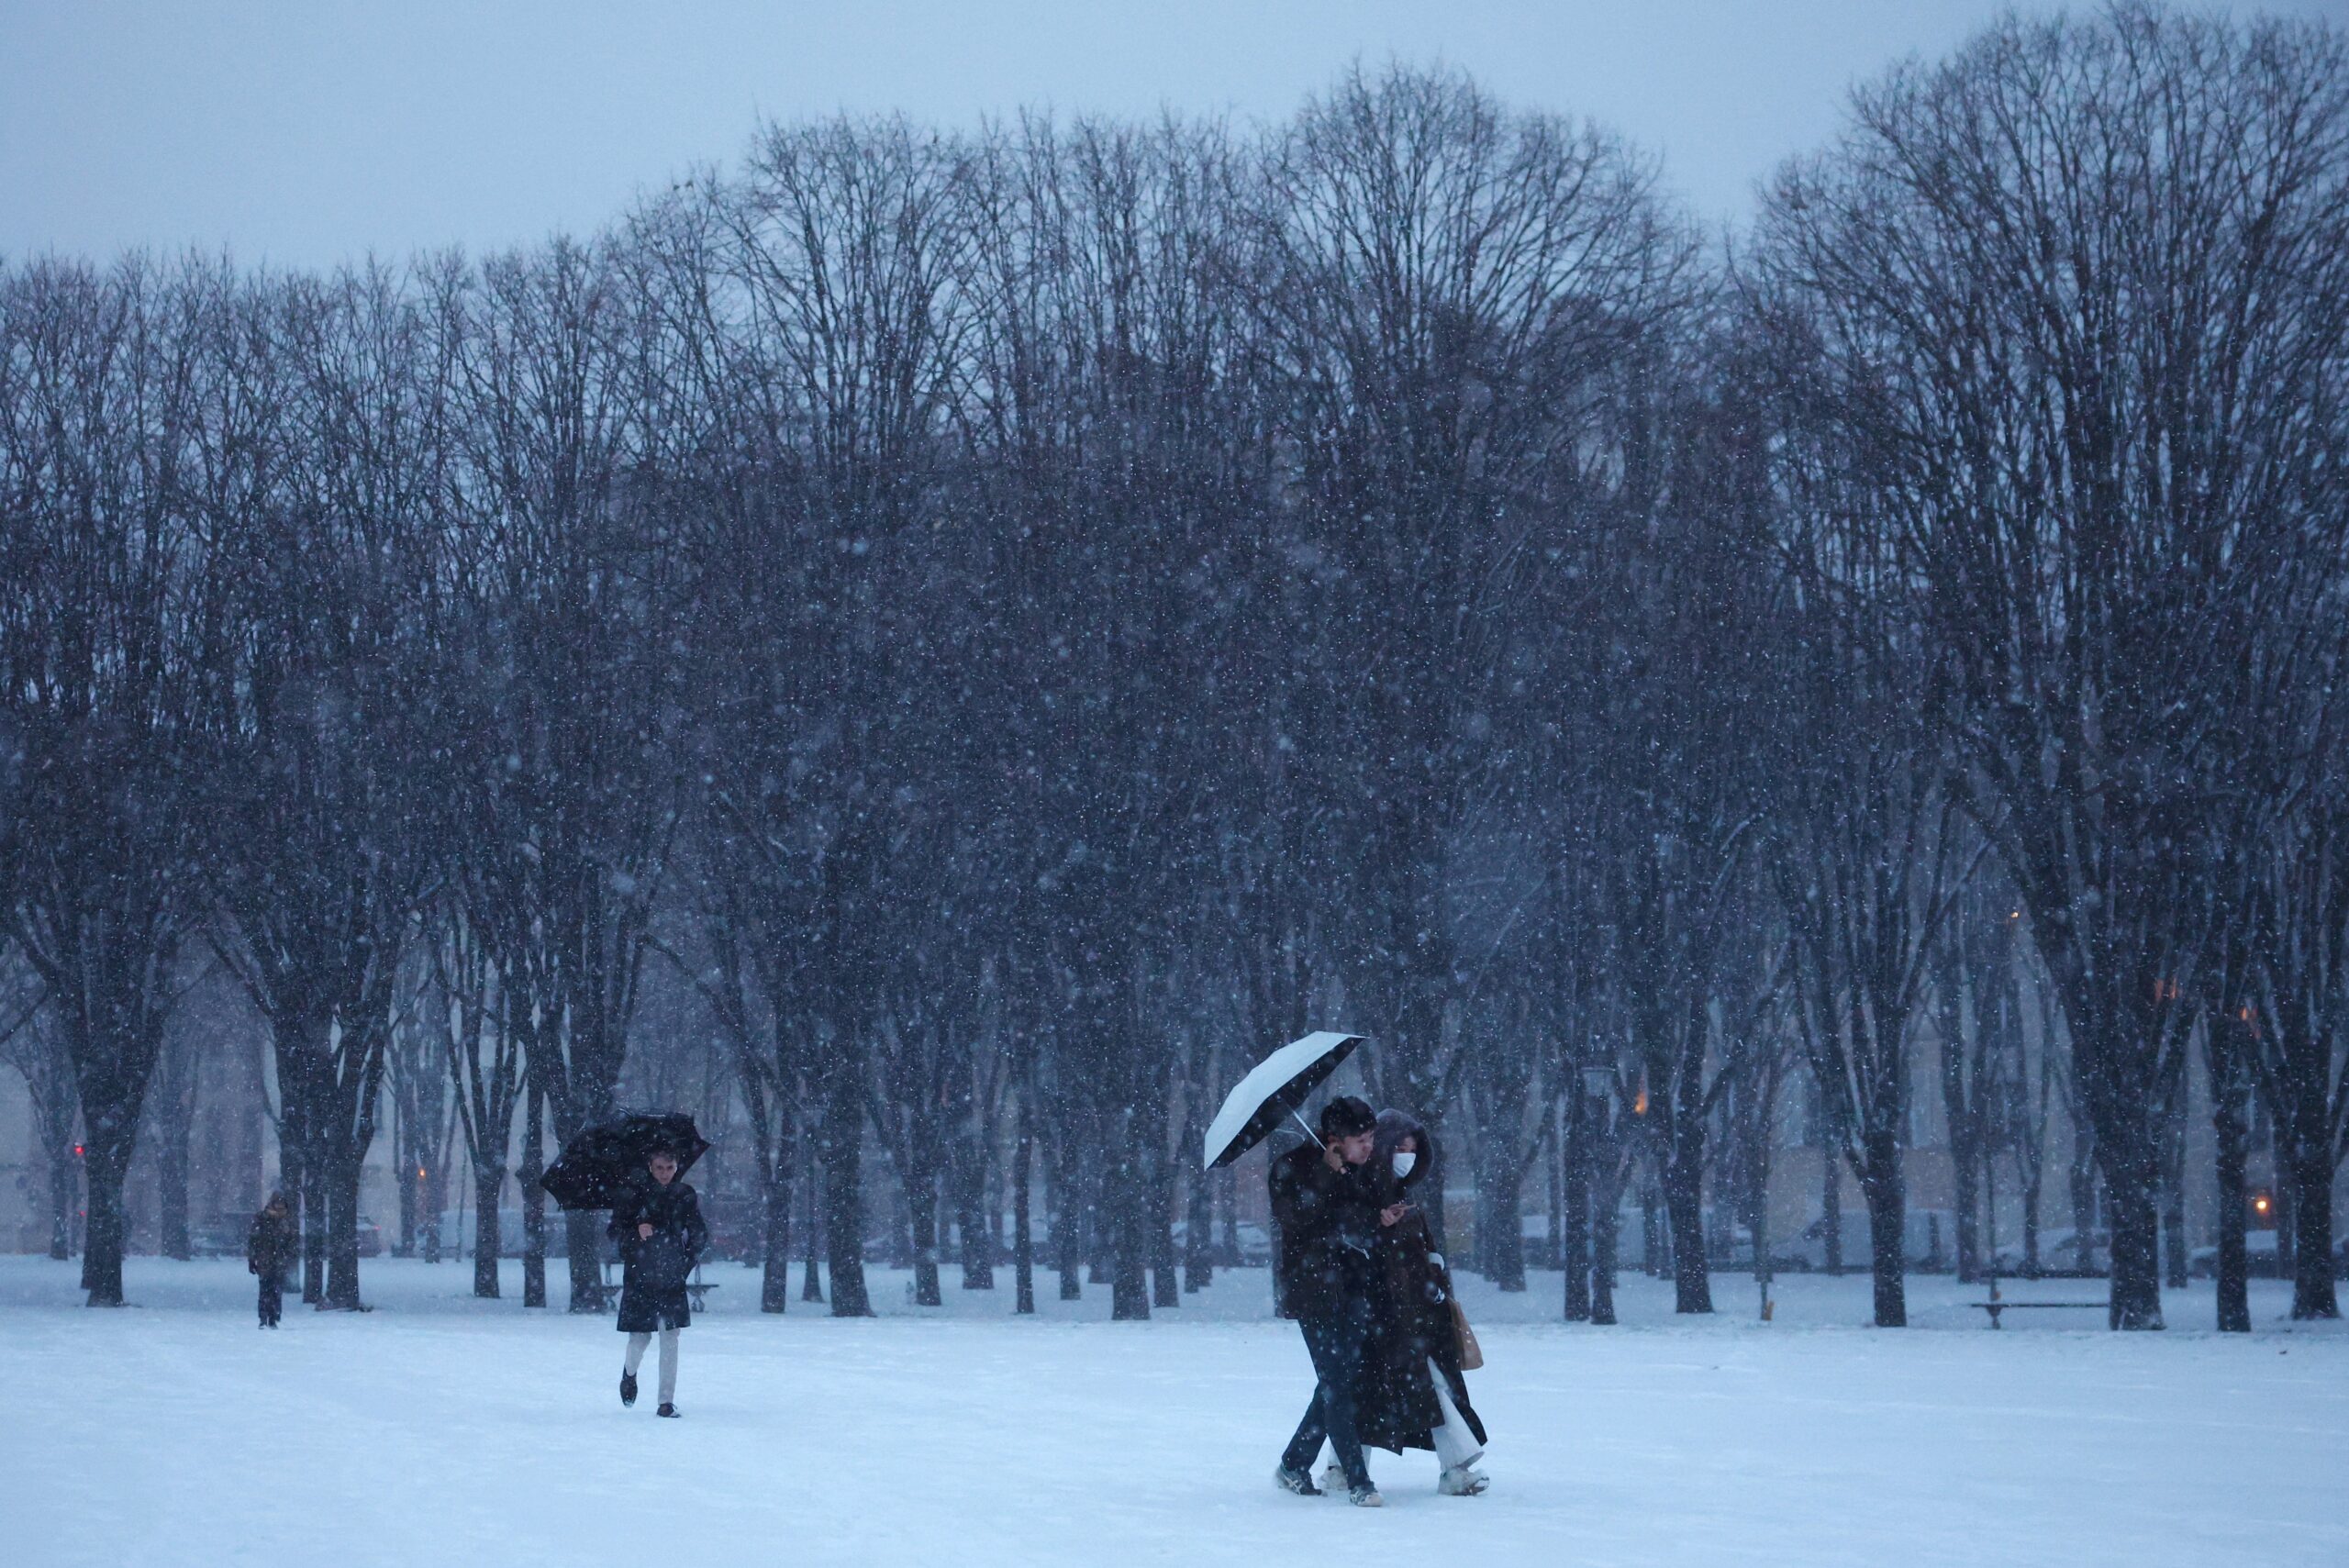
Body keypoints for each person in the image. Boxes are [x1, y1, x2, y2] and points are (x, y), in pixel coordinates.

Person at [1342, 1109, 1491, 1496]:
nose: (1406, 1156)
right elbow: (1354, 1246)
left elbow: (1420, 1252)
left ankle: (1343, 1466)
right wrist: (1379, 1229)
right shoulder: (1364, 1193)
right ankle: (1454, 1467)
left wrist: (1433, 1277)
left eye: (1412, 1149)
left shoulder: (1400, 1196)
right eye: (1399, 1148)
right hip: (1384, 1314)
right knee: (1386, 1388)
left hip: (1414, 1312)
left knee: (1392, 1389)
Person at [1269, 1094, 1387, 1507]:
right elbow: (1295, 1220)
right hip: (1313, 1291)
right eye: (1361, 1140)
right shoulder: (1290, 1167)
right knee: (1336, 1384)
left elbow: (1356, 1221)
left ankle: (1293, 1463)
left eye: (1371, 1138)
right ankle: (1359, 1481)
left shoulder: (1359, 1171)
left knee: (1339, 1380)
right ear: (1335, 1140)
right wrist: (1324, 1174)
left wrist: (1379, 1217)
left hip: (1355, 1287)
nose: (1369, 1147)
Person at [610, 1147, 707, 1418]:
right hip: (640, 1276)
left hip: (671, 1279)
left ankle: (666, 1402)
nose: (665, 1173)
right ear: (650, 1167)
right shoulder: (633, 1195)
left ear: (677, 1167)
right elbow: (615, 1235)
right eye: (659, 1168)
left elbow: (699, 1234)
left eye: (670, 1167)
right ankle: (629, 1373)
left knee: (670, 1337)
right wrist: (636, 1232)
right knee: (640, 1339)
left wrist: (684, 1264)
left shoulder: (684, 1195)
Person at [247, 1192, 295, 1329]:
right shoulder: (262, 1219)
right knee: (265, 1290)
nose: (280, 1208)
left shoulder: (286, 1221)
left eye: (282, 1205)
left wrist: (288, 1255)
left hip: (279, 1262)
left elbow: (291, 1242)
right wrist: (252, 1259)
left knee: (276, 1291)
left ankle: (273, 1318)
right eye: (277, 1204)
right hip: (265, 1260)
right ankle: (263, 1318)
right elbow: (253, 1240)